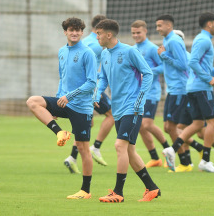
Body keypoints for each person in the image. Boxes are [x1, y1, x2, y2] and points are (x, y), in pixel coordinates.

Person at [27, 17, 97, 199]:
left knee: (83, 148)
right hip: (63, 101)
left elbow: (91, 83)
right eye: (71, 30)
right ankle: (59, 132)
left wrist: (69, 96)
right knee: (33, 102)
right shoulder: (62, 51)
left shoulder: (87, 53)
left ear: (82, 32)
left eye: (78, 30)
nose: (74, 33)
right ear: (65, 32)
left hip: (81, 107)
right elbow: (62, 77)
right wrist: (57, 102)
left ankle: (85, 191)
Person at [95, 19, 160, 203]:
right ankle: (152, 188)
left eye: (99, 33)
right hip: (118, 108)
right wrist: (98, 93)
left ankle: (118, 192)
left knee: (119, 146)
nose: (97, 36)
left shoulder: (130, 51)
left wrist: (140, 98)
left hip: (133, 108)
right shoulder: (105, 54)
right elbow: (103, 77)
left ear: (108, 34)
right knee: (130, 151)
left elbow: (148, 73)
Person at [163, 20, 214, 173]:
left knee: (197, 125)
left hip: (189, 90)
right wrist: (209, 78)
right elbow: (194, 64)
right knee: (211, 124)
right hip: (197, 88)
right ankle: (205, 160)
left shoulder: (192, 46)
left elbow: (201, 66)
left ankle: (174, 150)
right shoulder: (202, 41)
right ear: (209, 24)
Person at [64, 15, 114, 173]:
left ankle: (72, 158)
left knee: (87, 123)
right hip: (88, 90)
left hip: (78, 90)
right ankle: (96, 147)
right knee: (112, 114)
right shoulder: (96, 45)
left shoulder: (84, 41)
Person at [155, 14, 198, 172]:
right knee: (168, 127)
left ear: (168, 26)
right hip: (172, 89)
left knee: (172, 126)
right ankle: (188, 158)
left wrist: (164, 55)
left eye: (160, 26)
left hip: (179, 89)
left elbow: (183, 65)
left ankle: (185, 163)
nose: (157, 28)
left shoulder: (173, 40)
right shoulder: (167, 40)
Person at [131, 20, 170, 168]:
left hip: (151, 93)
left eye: (138, 32)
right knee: (140, 127)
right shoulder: (132, 49)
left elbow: (164, 66)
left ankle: (169, 150)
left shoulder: (152, 48)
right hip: (138, 93)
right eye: (133, 33)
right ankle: (155, 158)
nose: (136, 35)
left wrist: (148, 73)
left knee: (147, 124)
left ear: (145, 31)